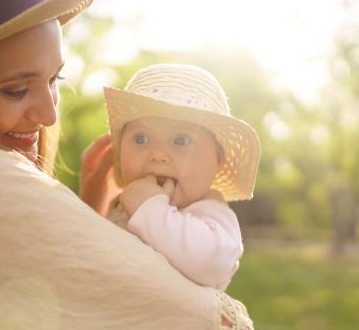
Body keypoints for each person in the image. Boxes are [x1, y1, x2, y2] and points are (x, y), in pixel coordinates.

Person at [0, 0, 253, 329]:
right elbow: (195, 315)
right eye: (16, 90)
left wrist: (87, 214)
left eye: (54, 79)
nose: (50, 115)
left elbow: (72, 294)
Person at [101, 64, 261, 291]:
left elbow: (209, 263)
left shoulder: (212, 214)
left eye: (181, 141)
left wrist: (149, 209)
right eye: (140, 138)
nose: (157, 155)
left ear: (218, 161)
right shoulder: (120, 207)